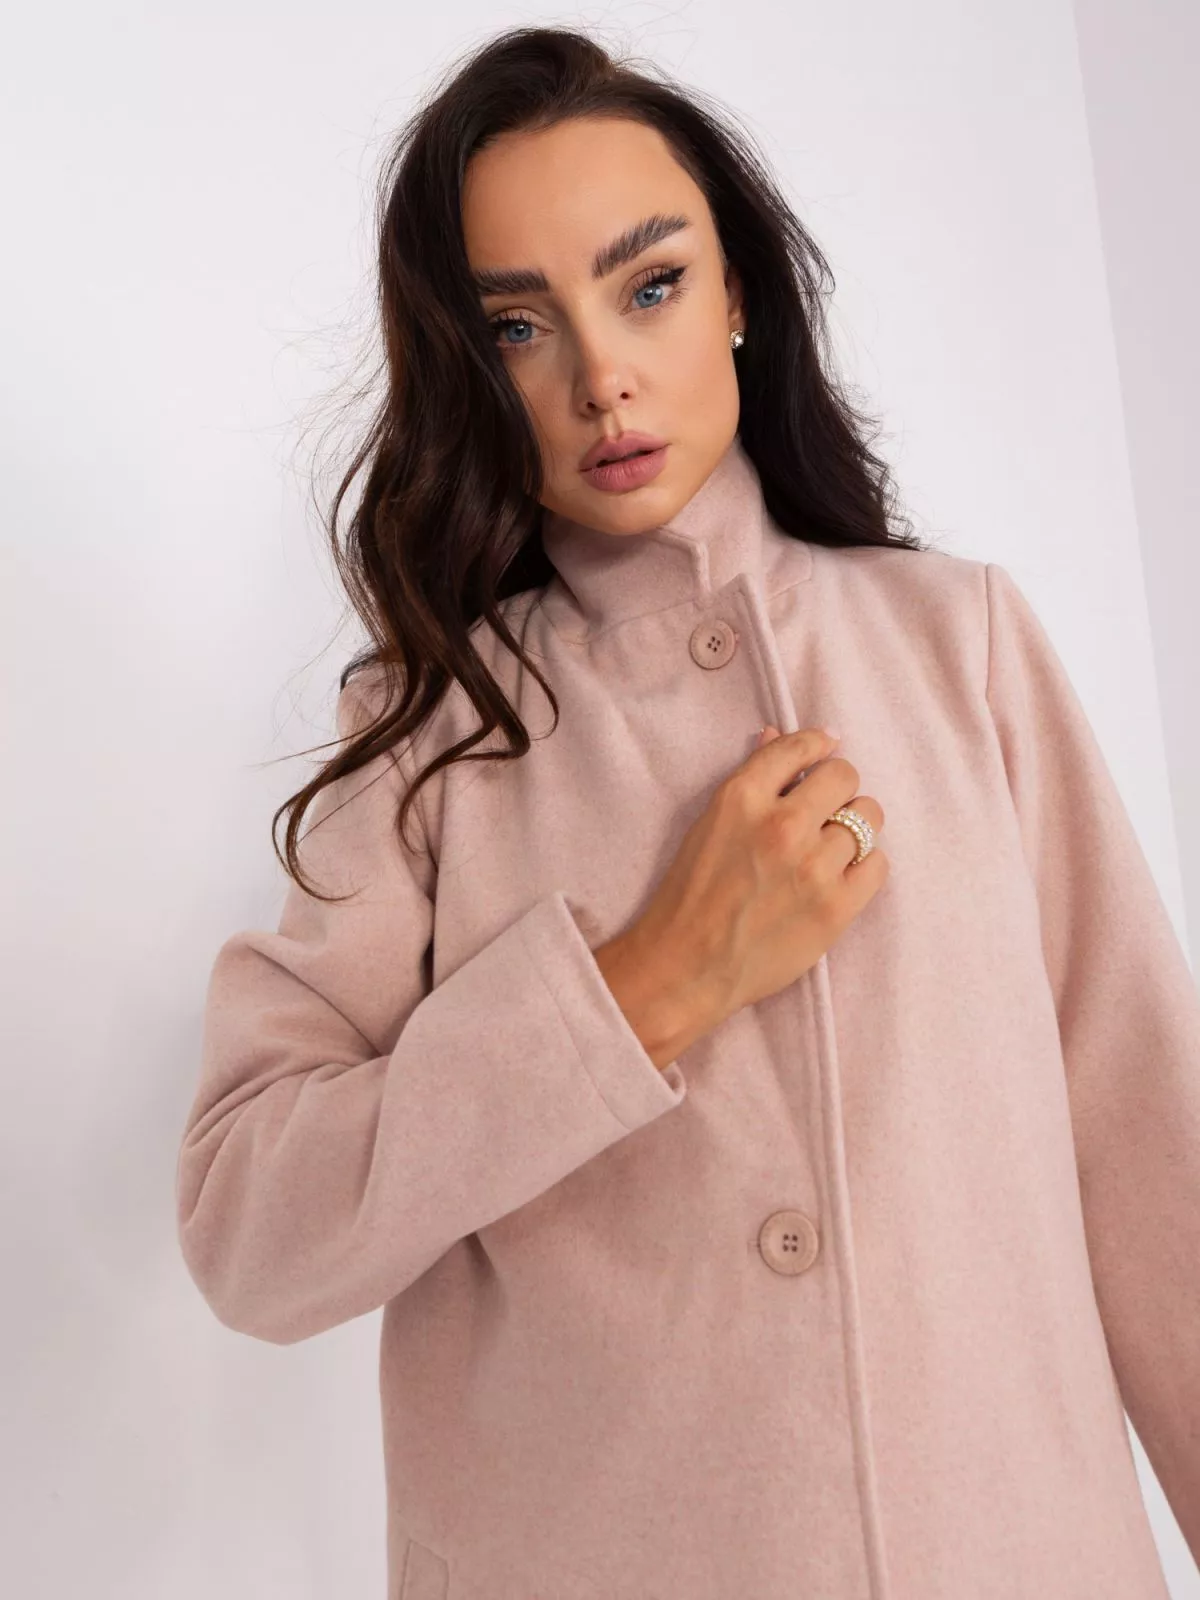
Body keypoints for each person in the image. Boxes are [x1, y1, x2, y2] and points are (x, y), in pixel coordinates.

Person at [175, 24, 1200, 1600]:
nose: (600, 378)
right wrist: (645, 985)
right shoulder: (427, 737)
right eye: (519, 326)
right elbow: (252, 1229)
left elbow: (1151, 1163)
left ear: (737, 297)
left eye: (648, 286)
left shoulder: (960, 646)